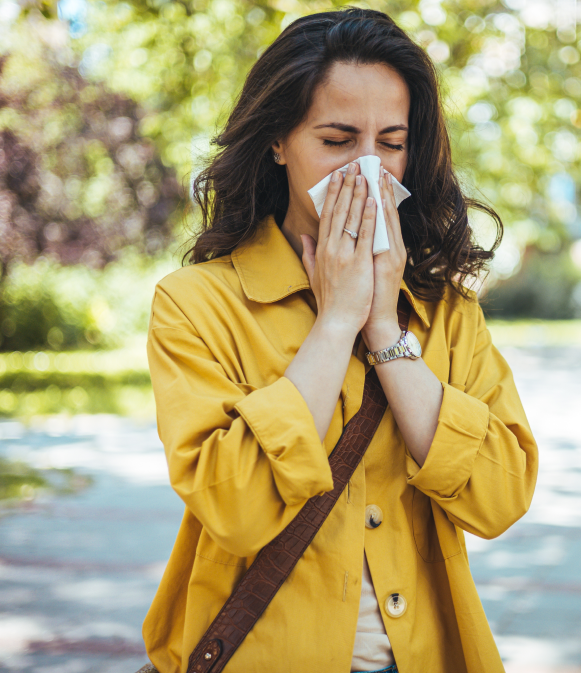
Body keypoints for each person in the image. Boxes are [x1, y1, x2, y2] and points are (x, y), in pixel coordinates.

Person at [143, 8, 538, 673]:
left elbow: (501, 497)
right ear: (278, 141)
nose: (367, 169)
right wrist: (334, 323)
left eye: (390, 142)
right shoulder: (196, 304)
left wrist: (384, 327)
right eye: (337, 139)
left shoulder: (444, 312)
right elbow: (234, 506)